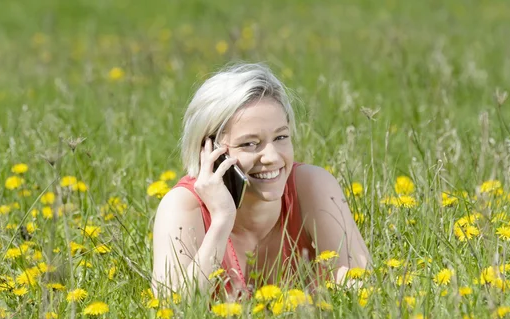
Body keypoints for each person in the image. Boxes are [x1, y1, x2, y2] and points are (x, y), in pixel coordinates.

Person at [152, 63, 370, 299]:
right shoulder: (183, 207)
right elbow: (171, 311)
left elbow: (363, 287)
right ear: (210, 151)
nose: (272, 157)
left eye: (281, 137)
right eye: (249, 143)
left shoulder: (313, 186)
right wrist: (222, 221)